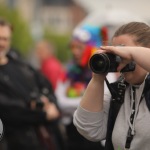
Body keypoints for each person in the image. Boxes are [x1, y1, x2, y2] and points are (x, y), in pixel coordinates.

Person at [73, 21, 150, 150]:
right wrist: (98, 76)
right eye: (115, 53)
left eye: (122, 50)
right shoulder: (119, 91)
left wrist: (130, 53)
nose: (119, 57)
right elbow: (89, 128)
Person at [0, 18, 65, 150]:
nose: (2, 43)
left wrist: (51, 104)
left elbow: (46, 85)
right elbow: (7, 109)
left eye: (5, 39)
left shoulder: (20, 63)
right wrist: (42, 114)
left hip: (42, 139)